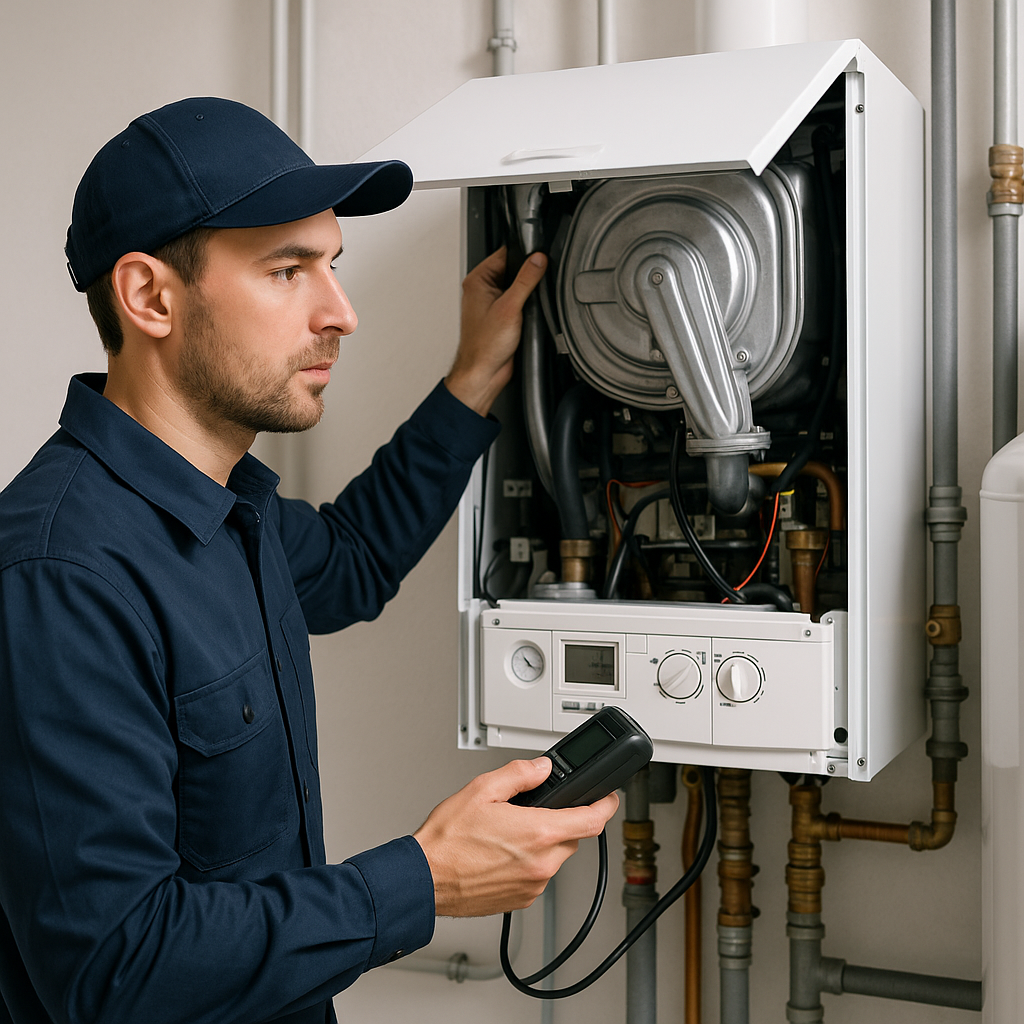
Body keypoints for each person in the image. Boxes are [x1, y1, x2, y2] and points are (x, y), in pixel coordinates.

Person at [0, 97, 618, 1024]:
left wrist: (477, 377)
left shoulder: (227, 508)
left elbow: (352, 561)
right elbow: (113, 972)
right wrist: (424, 881)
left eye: (332, 266)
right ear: (149, 297)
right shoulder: (61, 576)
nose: (342, 313)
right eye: (288, 271)